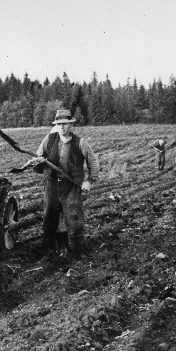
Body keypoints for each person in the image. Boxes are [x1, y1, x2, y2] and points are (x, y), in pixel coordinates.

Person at [31, 109, 99, 258]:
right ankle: (49, 252)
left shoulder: (80, 143)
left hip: (71, 186)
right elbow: (37, 165)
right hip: (52, 185)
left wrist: (90, 181)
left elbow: (93, 163)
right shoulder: (48, 140)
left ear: (71, 125)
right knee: (49, 218)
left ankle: (76, 253)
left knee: (75, 220)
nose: (62, 127)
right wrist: (39, 162)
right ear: (56, 125)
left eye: (65, 124)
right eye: (59, 124)